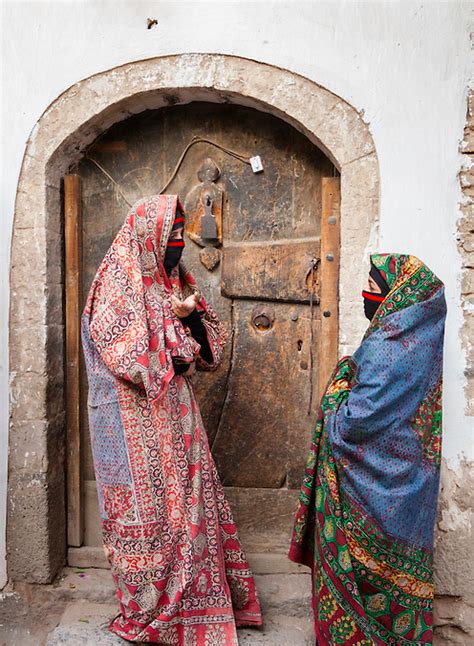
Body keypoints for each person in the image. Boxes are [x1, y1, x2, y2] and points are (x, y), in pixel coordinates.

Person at [81, 194, 262, 644]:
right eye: (173, 235)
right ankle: (148, 607)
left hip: (176, 418)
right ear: (149, 236)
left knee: (186, 510)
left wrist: (190, 320)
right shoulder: (114, 286)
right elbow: (132, 361)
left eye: (181, 234)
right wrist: (176, 346)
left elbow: (208, 352)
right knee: (147, 519)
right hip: (129, 425)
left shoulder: (174, 281)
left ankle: (193, 602)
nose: (179, 244)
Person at [289, 253, 446, 645]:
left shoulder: (384, 346)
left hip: (368, 486)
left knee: (365, 572)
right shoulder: (422, 340)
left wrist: (339, 384)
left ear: (394, 296)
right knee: (397, 576)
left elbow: (354, 423)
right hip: (412, 477)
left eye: (374, 288)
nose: (366, 296)